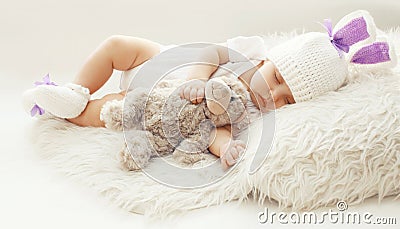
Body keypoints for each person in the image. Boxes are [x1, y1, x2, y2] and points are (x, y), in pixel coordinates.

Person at [22, 10, 396, 169]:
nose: (273, 96)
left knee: (112, 110)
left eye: (286, 100)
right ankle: (74, 88)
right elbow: (210, 51)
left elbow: (214, 131)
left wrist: (224, 149)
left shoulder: (248, 111)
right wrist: (199, 78)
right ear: (266, 61)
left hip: (157, 101)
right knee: (119, 44)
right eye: (278, 80)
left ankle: (67, 109)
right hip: (165, 64)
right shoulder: (246, 53)